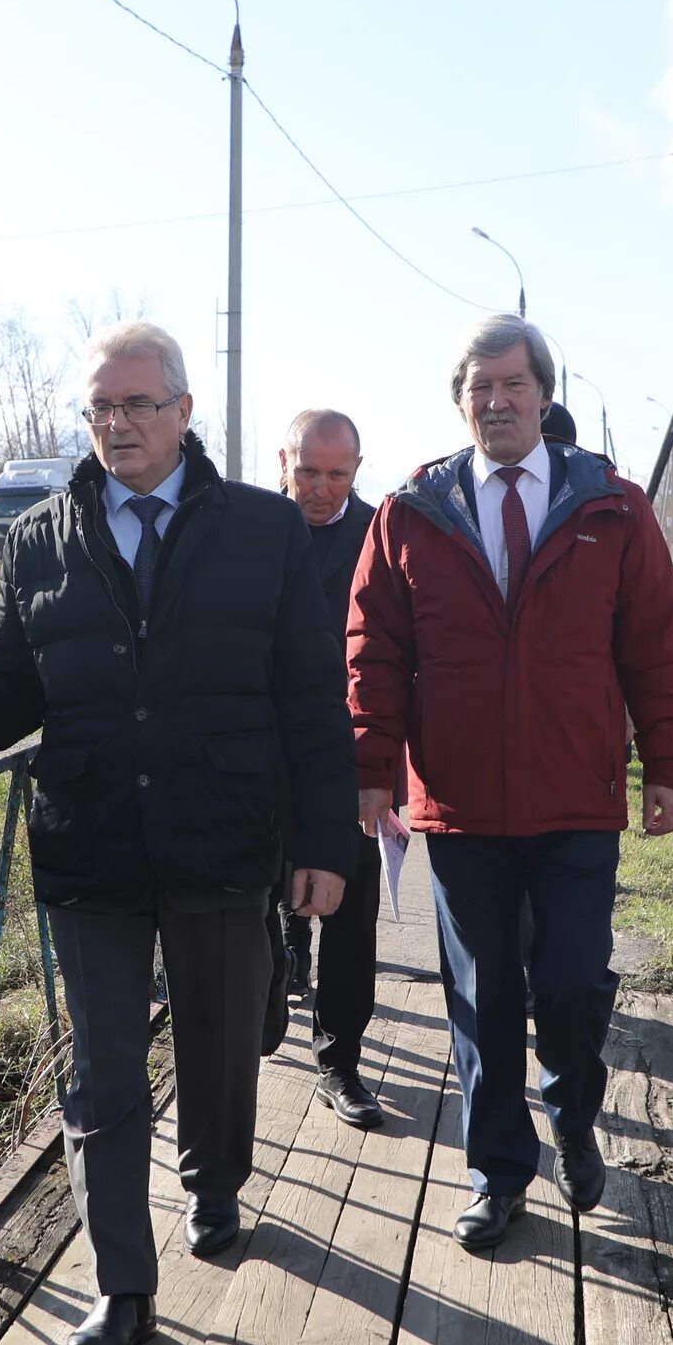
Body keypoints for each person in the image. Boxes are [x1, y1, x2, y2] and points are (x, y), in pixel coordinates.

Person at [0, 322, 353, 1345]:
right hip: (91, 838)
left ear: (186, 413)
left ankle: (216, 1176)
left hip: (223, 832)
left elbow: (315, 700)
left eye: (138, 405)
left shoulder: (265, 532)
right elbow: (12, 671)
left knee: (222, 1040)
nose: (117, 424)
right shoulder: (40, 534)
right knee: (101, 1072)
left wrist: (323, 839)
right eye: (100, 407)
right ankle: (122, 1283)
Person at [349, 315, 673, 1252]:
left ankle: (574, 1113)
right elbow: (373, 652)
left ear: (544, 394)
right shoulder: (411, 514)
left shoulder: (612, 509)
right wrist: (373, 770)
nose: (495, 403)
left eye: (512, 386)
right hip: (458, 805)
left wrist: (667, 764)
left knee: (574, 983)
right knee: (482, 995)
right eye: (478, 389)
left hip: (576, 796)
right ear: (460, 403)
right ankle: (497, 1173)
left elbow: (655, 646)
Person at [272, 407, 385, 1132]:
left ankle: (340, 1058)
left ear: (355, 471)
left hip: (351, 753)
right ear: (284, 461)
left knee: (354, 908)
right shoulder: (247, 530)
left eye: (337, 474)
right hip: (263, 749)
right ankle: (279, 971)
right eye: (307, 471)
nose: (321, 488)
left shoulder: (381, 532)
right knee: (264, 891)